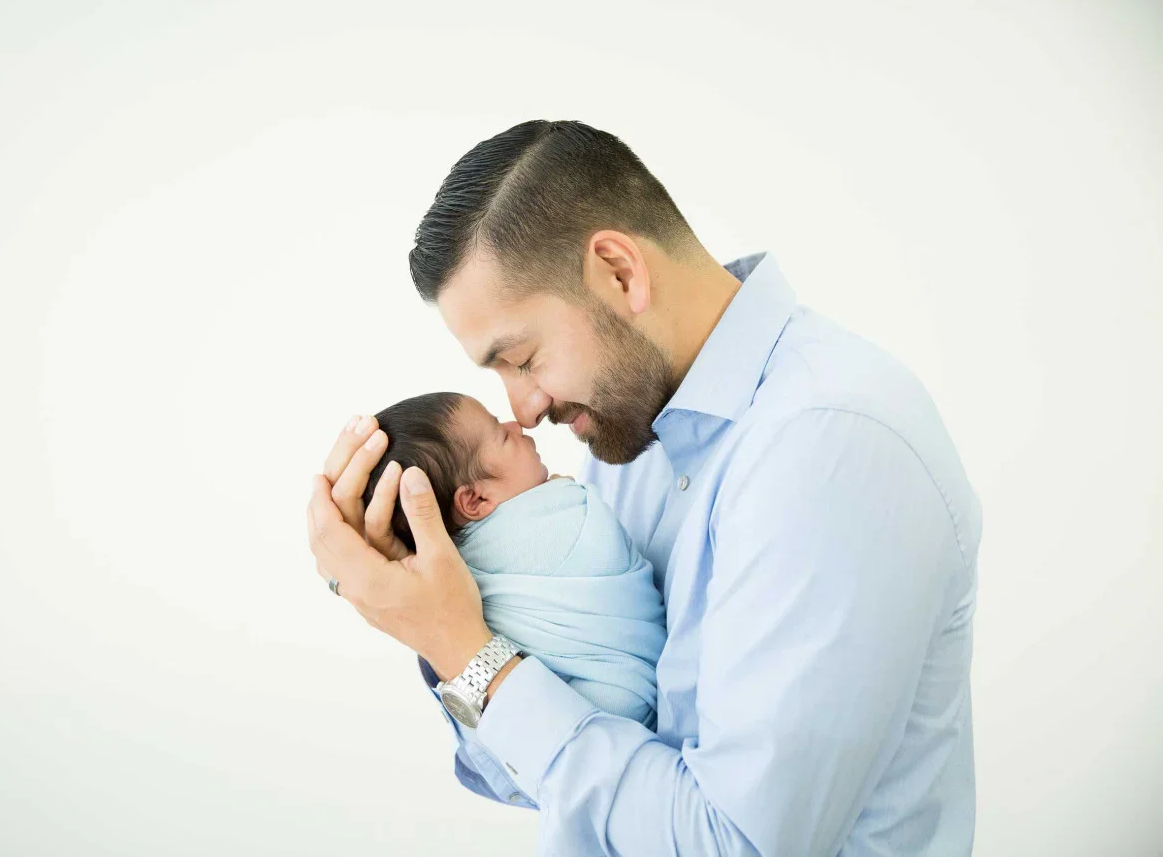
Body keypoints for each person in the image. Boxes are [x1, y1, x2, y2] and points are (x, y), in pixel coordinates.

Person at [308, 119, 981, 856]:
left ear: (620, 273)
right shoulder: (624, 435)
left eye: (523, 358)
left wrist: (467, 650)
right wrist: (430, 601)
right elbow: (548, 768)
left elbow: (733, 844)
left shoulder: (829, 445)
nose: (523, 408)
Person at [360, 390, 666, 728]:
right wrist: (566, 498)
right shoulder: (564, 515)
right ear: (475, 500)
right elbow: (602, 541)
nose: (518, 425)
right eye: (501, 434)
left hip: (569, 722)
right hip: (618, 695)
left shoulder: (441, 576)